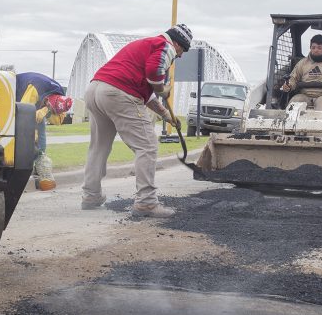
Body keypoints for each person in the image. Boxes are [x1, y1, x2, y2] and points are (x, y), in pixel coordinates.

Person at [82, 24, 192, 217]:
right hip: (119, 92)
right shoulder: (164, 46)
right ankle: (147, 203)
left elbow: (146, 94)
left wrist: (166, 115)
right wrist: (162, 89)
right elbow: (153, 73)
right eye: (182, 49)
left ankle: (91, 196)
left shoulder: (144, 45)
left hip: (95, 90)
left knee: (99, 147)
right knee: (147, 146)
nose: (180, 55)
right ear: (176, 42)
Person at [15, 71, 73, 190]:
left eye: (53, 109)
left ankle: (39, 164)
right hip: (16, 96)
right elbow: (23, 114)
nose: (50, 109)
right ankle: (21, 168)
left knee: (39, 132)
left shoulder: (60, 95)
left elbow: (58, 121)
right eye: (49, 106)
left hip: (37, 104)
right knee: (24, 139)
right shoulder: (35, 89)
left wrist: (47, 110)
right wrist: (33, 137)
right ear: (48, 99)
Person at [280, 34, 322, 110]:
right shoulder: (303, 63)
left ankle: (320, 122)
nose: (316, 50)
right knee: (296, 101)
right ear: (310, 48)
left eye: (319, 48)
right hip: (305, 94)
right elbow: (293, 78)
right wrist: (289, 86)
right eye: (313, 47)